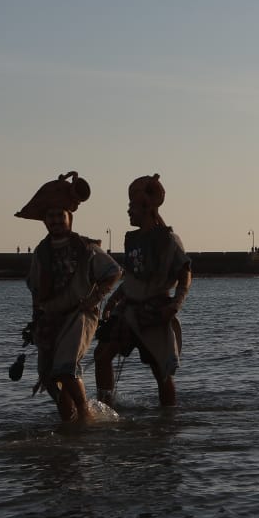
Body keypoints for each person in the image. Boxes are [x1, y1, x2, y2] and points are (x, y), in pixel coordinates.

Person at [19, 172, 121, 424]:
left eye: (59, 215)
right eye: (50, 216)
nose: (55, 221)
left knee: (66, 369)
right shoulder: (41, 252)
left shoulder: (86, 248)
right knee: (50, 377)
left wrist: (95, 298)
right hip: (50, 317)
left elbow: (113, 272)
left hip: (80, 316)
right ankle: (70, 423)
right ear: (45, 221)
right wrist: (35, 321)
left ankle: (86, 415)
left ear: (69, 218)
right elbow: (35, 291)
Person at [95, 174, 192, 408]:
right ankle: (105, 406)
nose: (128, 212)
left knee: (160, 370)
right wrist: (112, 301)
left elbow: (185, 274)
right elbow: (131, 278)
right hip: (128, 310)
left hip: (155, 312)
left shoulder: (169, 240)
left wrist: (175, 305)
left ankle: (168, 416)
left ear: (147, 208)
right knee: (102, 355)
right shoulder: (132, 240)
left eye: (132, 207)